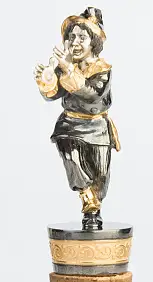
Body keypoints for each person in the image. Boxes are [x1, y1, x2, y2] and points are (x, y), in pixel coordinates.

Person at [34, 7, 120, 229]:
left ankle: (94, 208)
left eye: (82, 37)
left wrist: (69, 69)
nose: (75, 42)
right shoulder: (67, 66)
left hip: (97, 128)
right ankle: (87, 202)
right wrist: (48, 79)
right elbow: (53, 94)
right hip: (70, 126)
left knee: (100, 176)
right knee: (71, 157)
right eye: (71, 37)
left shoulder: (102, 69)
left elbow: (92, 94)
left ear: (94, 42)